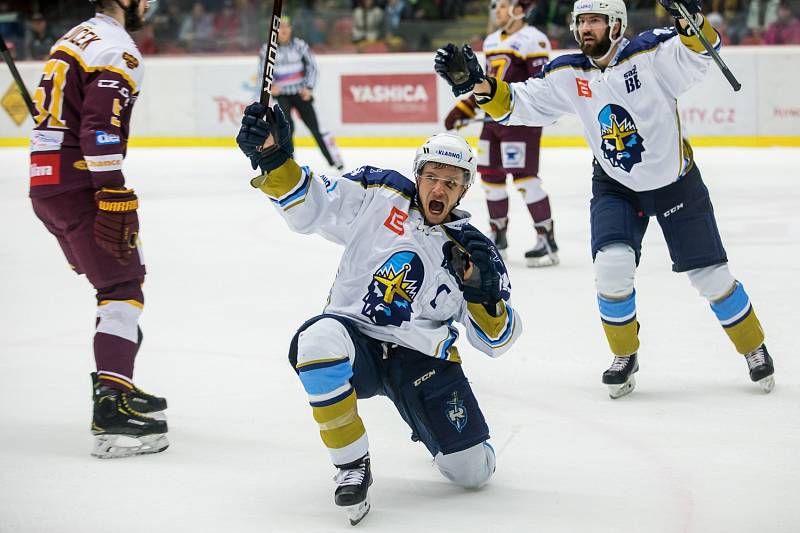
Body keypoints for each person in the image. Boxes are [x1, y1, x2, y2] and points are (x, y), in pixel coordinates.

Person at [435, 0, 775, 399]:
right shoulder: (568, 71)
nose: (585, 29)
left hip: (675, 182)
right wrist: (481, 86)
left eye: (595, 20)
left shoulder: (652, 53)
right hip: (615, 184)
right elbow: (521, 102)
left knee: (711, 278)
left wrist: (692, 21)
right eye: (581, 21)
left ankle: (754, 346)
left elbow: (699, 51)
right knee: (612, 269)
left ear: (617, 25)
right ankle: (624, 355)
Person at [236, 102, 521, 524]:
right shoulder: (379, 192)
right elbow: (310, 209)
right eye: (430, 178)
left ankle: (429, 424)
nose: (437, 190)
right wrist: (277, 160)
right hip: (358, 342)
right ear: (417, 175)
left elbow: (496, 340)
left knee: (471, 473)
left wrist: (483, 295)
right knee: (316, 341)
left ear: (464, 189)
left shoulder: (473, 251)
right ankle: (352, 465)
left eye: (450, 182)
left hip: (422, 361)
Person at [28, 0, 168, 458]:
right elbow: (99, 127)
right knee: (122, 289)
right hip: (80, 185)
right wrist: (111, 188)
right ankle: (111, 410)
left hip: (46, 184)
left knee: (117, 283)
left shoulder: (73, 37)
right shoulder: (115, 48)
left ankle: (119, 380)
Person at [443, 0, 558, 267]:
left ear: (519, 10)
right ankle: (498, 236)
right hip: (492, 122)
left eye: (503, 5)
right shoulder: (492, 40)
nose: (497, 10)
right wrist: (464, 108)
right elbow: (484, 83)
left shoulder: (534, 40)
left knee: (525, 180)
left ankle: (547, 238)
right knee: (490, 178)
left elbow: (540, 85)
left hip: (520, 122)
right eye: (494, 6)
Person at [257, 16, 344, 171]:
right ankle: (289, 164)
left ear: (291, 28)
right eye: (280, 27)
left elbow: (312, 67)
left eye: (286, 26)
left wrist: (309, 88)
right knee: (285, 130)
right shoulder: (268, 49)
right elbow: (262, 74)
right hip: (281, 95)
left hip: (300, 93)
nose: (283, 30)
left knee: (318, 128)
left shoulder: (300, 46)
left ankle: (336, 161)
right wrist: (271, 87)